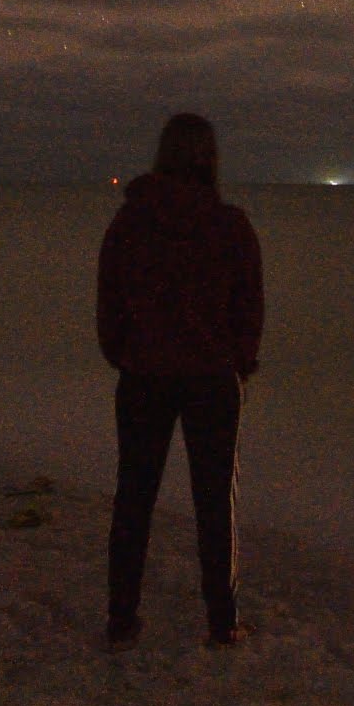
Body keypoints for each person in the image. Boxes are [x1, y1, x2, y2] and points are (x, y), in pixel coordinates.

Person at [96, 112, 264, 652]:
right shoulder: (229, 225)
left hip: (145, 375)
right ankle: (222, 622)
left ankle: (122, 619)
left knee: (134, 497)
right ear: (210, 158)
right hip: (210, 378)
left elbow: (109, 301)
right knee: (215, 504)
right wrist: (240, 360)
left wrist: (123, 354)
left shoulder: (130, 223)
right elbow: (249, 306)